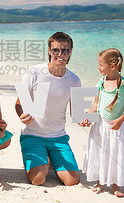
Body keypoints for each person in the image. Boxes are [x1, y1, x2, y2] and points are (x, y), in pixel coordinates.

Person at [14, 32, 81, 186]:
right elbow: (19, 103)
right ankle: (38, 157)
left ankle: (50, 157)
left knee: (72, 181)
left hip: (58, 138)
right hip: (33, 135)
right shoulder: (34, 72)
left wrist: (86, 118)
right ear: (49, 51)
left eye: (65, 50)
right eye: (56, 50)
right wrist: (22, 115)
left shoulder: (74, 80)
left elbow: (76, 112)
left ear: (70, 52)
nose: (60, 54)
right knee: (38, 180)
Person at [80, 48, 124, 197]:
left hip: (115, 127)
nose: (98, 68)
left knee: (115, 154)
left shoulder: (123, 83)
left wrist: (120, 120)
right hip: (100, 126)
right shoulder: (100, 82)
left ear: (112, 66)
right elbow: (95, 104)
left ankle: (116, 185)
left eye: (100, 65)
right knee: (100, 153)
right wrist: (87, 115)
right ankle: (100, 182)